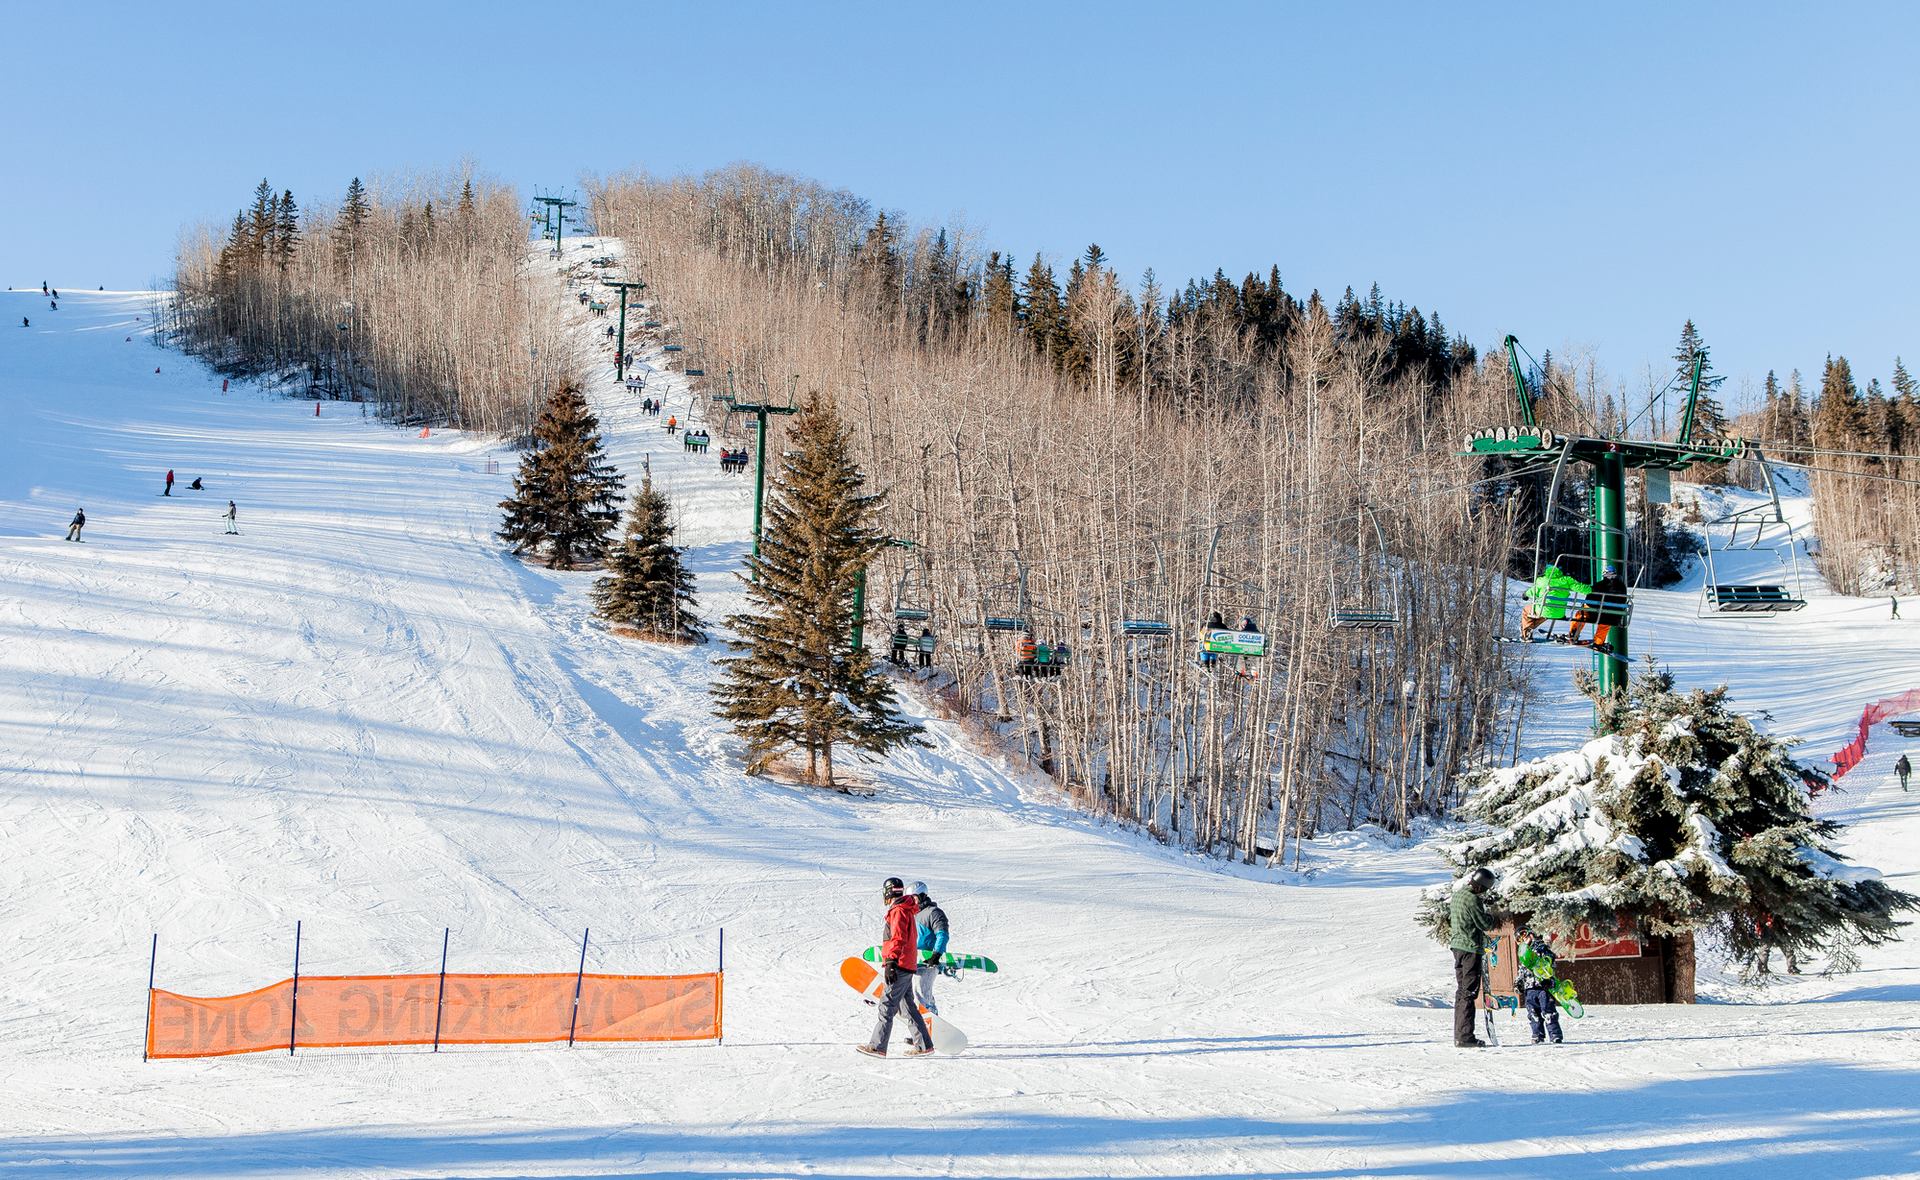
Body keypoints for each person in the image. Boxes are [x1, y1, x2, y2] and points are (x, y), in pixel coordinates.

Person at [858, 877, 933, 1059]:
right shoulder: (905, 909)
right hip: (906, 964)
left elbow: (897, 938)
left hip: (899, 964)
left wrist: (891, 962)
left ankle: (877, 1046)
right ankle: (924, 1045)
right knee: (907, 1008)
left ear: (888, 892)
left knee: (887, 1006)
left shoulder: (898, 911)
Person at [1449, 866, 1496, 1048]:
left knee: (1461, 992)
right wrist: (1493, 917)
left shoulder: (1459, 894)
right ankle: (1465, 1037)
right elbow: (1483, 923)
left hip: (1458, 948)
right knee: (1468, 992)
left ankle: (1459, 1034)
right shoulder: (1473, 899)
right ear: (1480, 886)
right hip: (1470, 949)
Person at [1514, 929, 1565, 1045]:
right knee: (1533, 1014)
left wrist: (1548, 978)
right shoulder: (1522, 955)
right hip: (1529, 988)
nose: (1523, 940)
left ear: (1530, 935)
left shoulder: (1541, 948)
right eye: (1519, 939)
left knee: (1548, 1011)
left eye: (1524, 935)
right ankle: (1537, 1035)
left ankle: (1555, 1035)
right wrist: (1518, 982)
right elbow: (1522, 970)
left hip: (1543, 987)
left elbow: (1550, 961)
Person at [910, 882, 950, 1016]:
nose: (911, 901)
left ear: (922, 896)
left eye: (913, 898)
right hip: (913, 960)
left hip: (929, 962)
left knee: (921, 994)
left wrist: (936, 954)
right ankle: (921, 1032)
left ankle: (927, 1031)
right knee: (914, 996)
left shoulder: (934, 913)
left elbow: (942, 934)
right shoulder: (913, 915)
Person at [1567, 565, 1625, 647]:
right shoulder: (1622, 587)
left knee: (1582, 613)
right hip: (1613, 617)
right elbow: (1622, 601)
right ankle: (1598, 642)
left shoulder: (1599, 585)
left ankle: (1573, 633)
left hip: (1595, 614)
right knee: (1605, 624)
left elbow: (1590, 599)